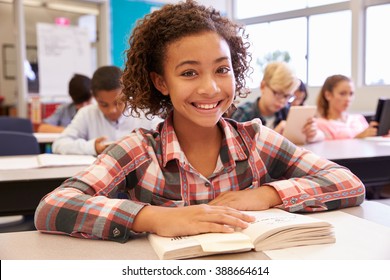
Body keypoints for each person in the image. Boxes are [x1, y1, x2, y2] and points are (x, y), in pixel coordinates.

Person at [35, 0, 364, 242]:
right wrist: (152, 218)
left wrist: (267, 195)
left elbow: (349, 184)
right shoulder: (138, 151)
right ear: (161, 82)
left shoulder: (256, 141)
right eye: (189, 72)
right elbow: (52, 207)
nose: (210, 88)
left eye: (222, 70)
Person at [52, 66, 162, 155]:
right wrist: (92, 147)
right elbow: (59, 144)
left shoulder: (144, 112)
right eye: (103, 104)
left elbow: (166, 137)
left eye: (118, 102)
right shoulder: (87, 113)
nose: (112, 110)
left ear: (127, 94)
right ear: (94, 98)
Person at [230, 61, 323, 143]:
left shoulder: (287, 112)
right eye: (277, 93)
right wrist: (273, 137)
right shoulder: (244, 114)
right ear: (263, 86)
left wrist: (313, 134)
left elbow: (321, 135)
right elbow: (234, 146)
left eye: (287, 96)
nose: (283, 101)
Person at [316, 74, 378, 139]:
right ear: (328, 95)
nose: (348, 99)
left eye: (351, 94)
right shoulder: (320, 124)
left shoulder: (358, 119)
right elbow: (326, 148)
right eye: (342, 94)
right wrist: (358, 138)